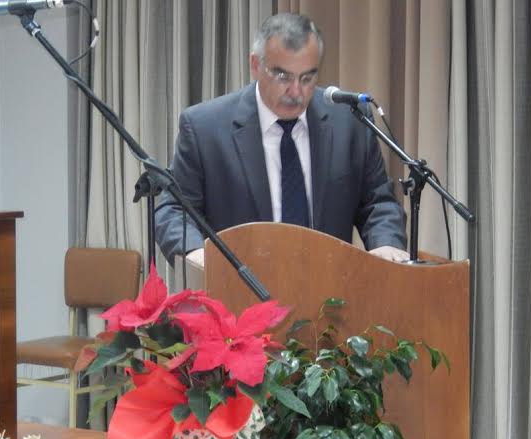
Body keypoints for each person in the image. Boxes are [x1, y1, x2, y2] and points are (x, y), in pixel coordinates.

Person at [155, 13, 408, 267]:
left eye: (307, 78)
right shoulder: (205, 128)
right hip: (240, 284)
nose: (296, 92)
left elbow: (378, 202)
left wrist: (386, 243)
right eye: (283, 77)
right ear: (255, 65)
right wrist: (197, 253)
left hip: (330, 284)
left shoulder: (349, 121)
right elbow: (174, 209)